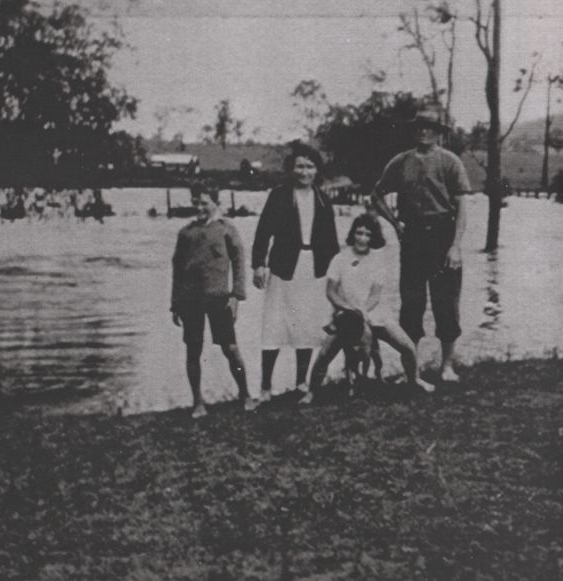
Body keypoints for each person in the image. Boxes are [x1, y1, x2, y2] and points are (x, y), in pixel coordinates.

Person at [369, 105, 471, 383]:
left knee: (446, 304)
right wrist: (396, 224)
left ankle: (447, 366)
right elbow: (376, 195)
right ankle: (410, 370)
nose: (424, 132)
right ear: (414, 131)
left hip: (443, 235)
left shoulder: (450, 162)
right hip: (412, 237)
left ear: (438, 133)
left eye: (430, 128)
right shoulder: (400, 162)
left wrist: (456, 245)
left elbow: (462, 204)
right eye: (420, 127)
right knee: (411, 305)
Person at [300, 214, 434, 404]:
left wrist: (363, 312)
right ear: (353, 234)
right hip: (345, 315)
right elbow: (331, 292)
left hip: (374, 314)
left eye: (367, 234)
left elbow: (375, 295)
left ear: (374, 238)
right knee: (323, 356)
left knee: (408, 347)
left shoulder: (378, 260)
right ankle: (311, 392)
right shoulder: (340, 259)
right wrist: (347, 309)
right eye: (359, 233)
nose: (362, 238)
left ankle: (415, 380)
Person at [252, 143, 340, 401]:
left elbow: (332, 242)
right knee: (274, 326)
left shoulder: (323, 199)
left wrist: (337, 274)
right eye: (300, 166)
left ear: (317, 170)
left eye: (310, 166)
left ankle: (301, 383)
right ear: (291, 169)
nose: (304, 172)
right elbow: (263, 232)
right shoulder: (279, 195)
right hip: (282, 266)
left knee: (306, 325)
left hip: (313, 268)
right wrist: (259, 264)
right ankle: (266, 387)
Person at [171, 180, 259, 418]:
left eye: (205, 203)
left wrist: (237, 296)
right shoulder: (185, 233)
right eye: (195, 202)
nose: (200, 207)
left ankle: (246, 394)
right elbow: (177, 270)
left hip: (219, 298)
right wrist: (175, 304)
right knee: (193, 349)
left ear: (216, 203)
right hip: (190, 300)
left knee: (230, 348)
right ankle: (198, 402)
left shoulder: (226, 228)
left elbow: (240, 262)